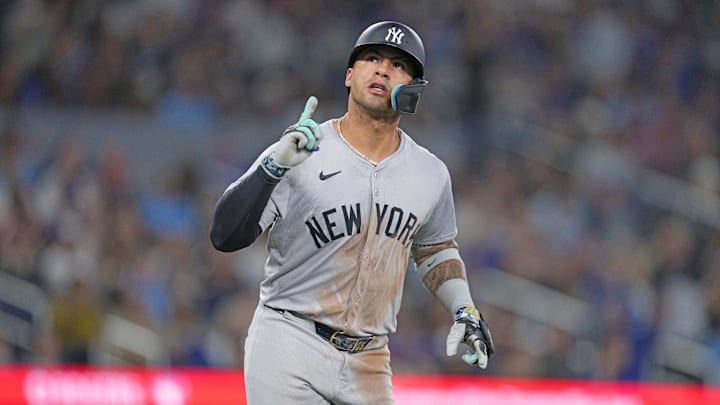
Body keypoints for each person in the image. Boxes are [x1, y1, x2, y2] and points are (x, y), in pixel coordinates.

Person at [210, 20, 494, 404]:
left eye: (398, 64)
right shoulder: (301, 148)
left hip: (370, 357)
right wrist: (272, 165)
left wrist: (464, 310)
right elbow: (225, 236)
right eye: (372, 58)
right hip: (289, 341)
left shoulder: (430, 173)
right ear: (349, 75)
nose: (382, 69)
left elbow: (434, 250)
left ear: (412, 89)